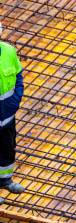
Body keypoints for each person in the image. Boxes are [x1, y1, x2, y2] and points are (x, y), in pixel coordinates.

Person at [0, 22, 25, 195]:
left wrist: (15, 101)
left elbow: (18, 76)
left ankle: (5, 180)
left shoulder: (8, 51)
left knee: (7, 148)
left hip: (7, 115)